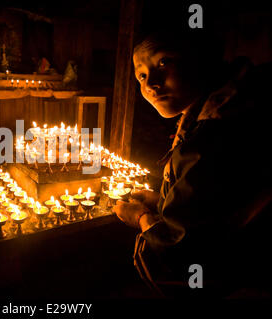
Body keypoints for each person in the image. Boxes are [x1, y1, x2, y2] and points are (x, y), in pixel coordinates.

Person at [112, 29, 271, 298]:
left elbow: (182, 251)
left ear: (201, 60)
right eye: (141, 75)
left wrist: (140, 217)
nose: (151, 83)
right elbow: (214, 203)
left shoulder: (211, 134)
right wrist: (161, 200)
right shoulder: (225, 108)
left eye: (164, 62)